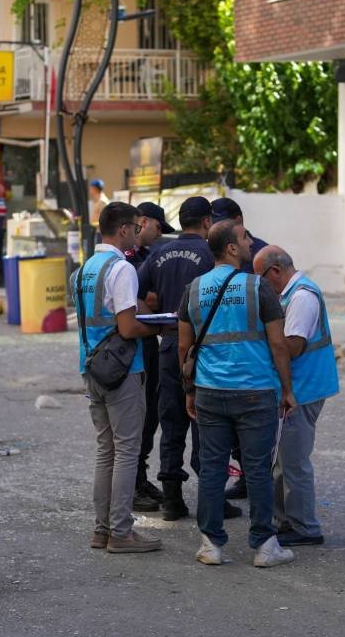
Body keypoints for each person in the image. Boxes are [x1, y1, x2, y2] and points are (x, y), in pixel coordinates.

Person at [179, 219, 298, 568]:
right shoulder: (258, 288)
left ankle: (211, 545)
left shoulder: (194, 289)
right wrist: (287, 389)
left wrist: (188, 390)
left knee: (213, 468)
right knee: (258, 469)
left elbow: (184, 347)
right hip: (255, 391)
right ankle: (264, 546)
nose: (250, 243)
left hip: (210, 391)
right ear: (231, 248)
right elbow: (278, 344)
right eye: (245, 238)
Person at [137, 197, 242, 522]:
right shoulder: (210, 253)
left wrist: (154, 316)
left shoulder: (158, 253)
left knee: (171, 421)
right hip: (205, 347)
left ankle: (172, 499)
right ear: (208, 221)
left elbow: (133, 294)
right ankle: (212, 498)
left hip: (169, 344)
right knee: (208, 422)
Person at [75, 201, 162, 554]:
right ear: (124, 229)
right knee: (127, 450)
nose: (138, 234)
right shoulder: (122, 268)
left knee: (106, 450)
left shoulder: (84, 270)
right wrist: (159, 327)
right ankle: (122, 533)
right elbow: (127, 327)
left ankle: (102, 530)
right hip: (124, 371)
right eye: (135, 228)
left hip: (91, 367)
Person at [253, 245, 339, 547]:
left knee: (293, 461)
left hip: (304, 388)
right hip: (299, 387)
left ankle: (305, 527)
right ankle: (286, 520)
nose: (260, 285)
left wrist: (260, 344)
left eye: (261, 278)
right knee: (283, 459)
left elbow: (292, 347)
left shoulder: (301, 297)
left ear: (275, 272)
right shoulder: (290, 293)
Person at [209, 197, 269, 500]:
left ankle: (254, 486)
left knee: (255, 442)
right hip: (223, 363)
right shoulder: (218, 251)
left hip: (252, 364)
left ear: (239, 220)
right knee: (231, 437)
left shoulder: (258, 252)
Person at [124, 201, 174, 512]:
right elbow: (138, 302)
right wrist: (149, 301)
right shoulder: (126, 260)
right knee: (135, 419)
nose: (158, 235)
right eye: (157, 227)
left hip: (150, 345)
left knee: (151, 414)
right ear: (143, 222)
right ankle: (131, 485)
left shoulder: (149, 257)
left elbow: (155, 299)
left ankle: (139, 478)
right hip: (132, 348)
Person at [210, 198, 268, 274]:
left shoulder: (263, 253)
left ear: (238, 220)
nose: (215, 228)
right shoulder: (209, 252)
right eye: (212, 224)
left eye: (222, 224)